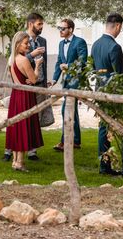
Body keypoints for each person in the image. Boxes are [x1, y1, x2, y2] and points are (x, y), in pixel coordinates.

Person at [4, 12, 47, 162]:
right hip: (25, 96)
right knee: (23, 126)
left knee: (16, 126)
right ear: (18, 45)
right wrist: (38, 65)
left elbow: (15, 78)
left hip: (16, 93)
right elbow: (34, 79)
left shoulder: (12, 60)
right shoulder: (23, 60)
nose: (28, 46)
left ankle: (15, 160)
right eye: (25, 44)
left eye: (28, 43)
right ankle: (20, 162)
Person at [91, 13, 123, 175]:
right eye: (121, 27)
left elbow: (93, 69)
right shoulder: (115, 47)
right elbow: (119, 75)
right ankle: (119, 166)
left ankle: (105, 164)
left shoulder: (96, 45)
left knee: (103, 128)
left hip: (100, 91)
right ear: (118, 26)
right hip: (113, 94)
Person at [51, 18, 88, 152]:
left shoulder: (80, 42)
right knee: (72, 110)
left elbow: (83, 61)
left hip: (76, 81)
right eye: (59, 28)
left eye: (63, 28)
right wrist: (54, 79)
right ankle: (76, 141)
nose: (60, 31)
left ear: (70, 29)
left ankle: (64, 141)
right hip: (66, 82)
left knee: (65, 110)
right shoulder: (61, 44)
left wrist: (69, 66)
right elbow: (59, 62)